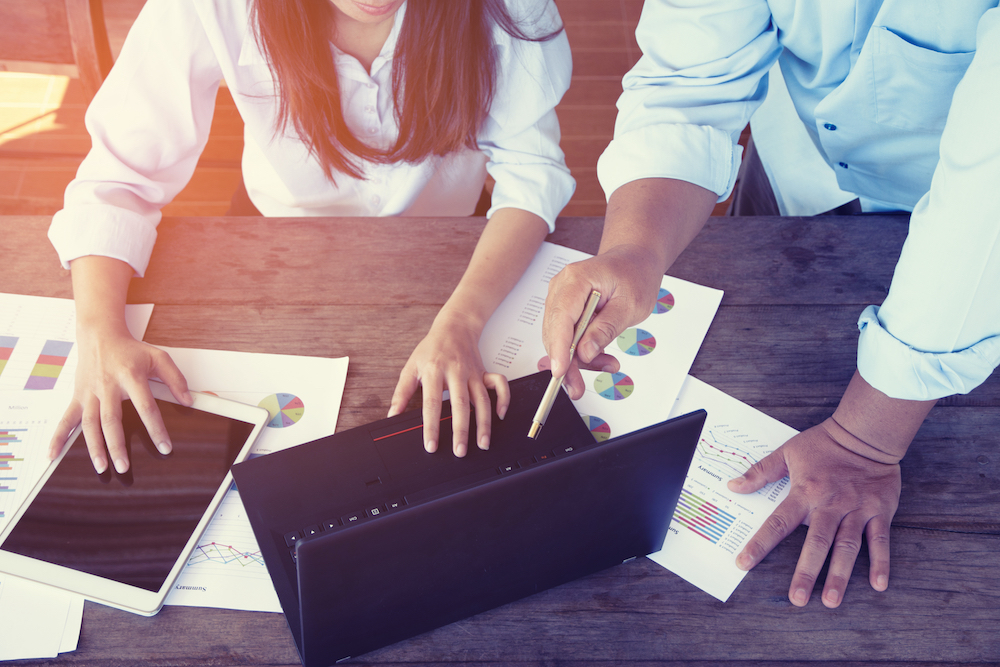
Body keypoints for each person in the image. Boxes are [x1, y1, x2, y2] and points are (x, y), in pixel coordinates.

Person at [541, 1, 1000, 609]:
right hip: (798, 163)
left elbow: (983, 206)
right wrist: (633, 250)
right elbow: (688, 82)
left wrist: (865, 443)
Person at [46, 0, 573, 475]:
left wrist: (463, 319)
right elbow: (116, 176)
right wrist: (98, 330)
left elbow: (532, 174)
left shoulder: (510, 9)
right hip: (277, 238)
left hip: (453, 246)